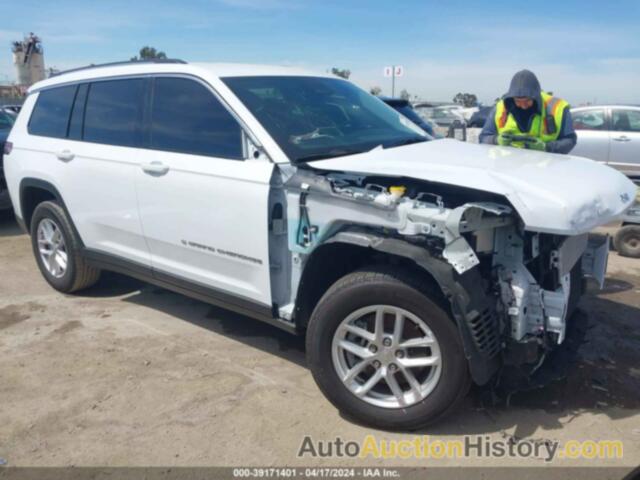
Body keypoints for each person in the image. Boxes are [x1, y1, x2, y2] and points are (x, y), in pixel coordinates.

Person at [479, 70, 576, 154]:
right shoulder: (500, 108)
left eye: (527, 101)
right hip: (508, 168)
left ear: (536, 97)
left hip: (544, 169)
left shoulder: (558, 107)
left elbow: (570, 140)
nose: (523, 106)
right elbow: (483, 137)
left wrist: (546, 147)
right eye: (518, 101)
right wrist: (496, 140)